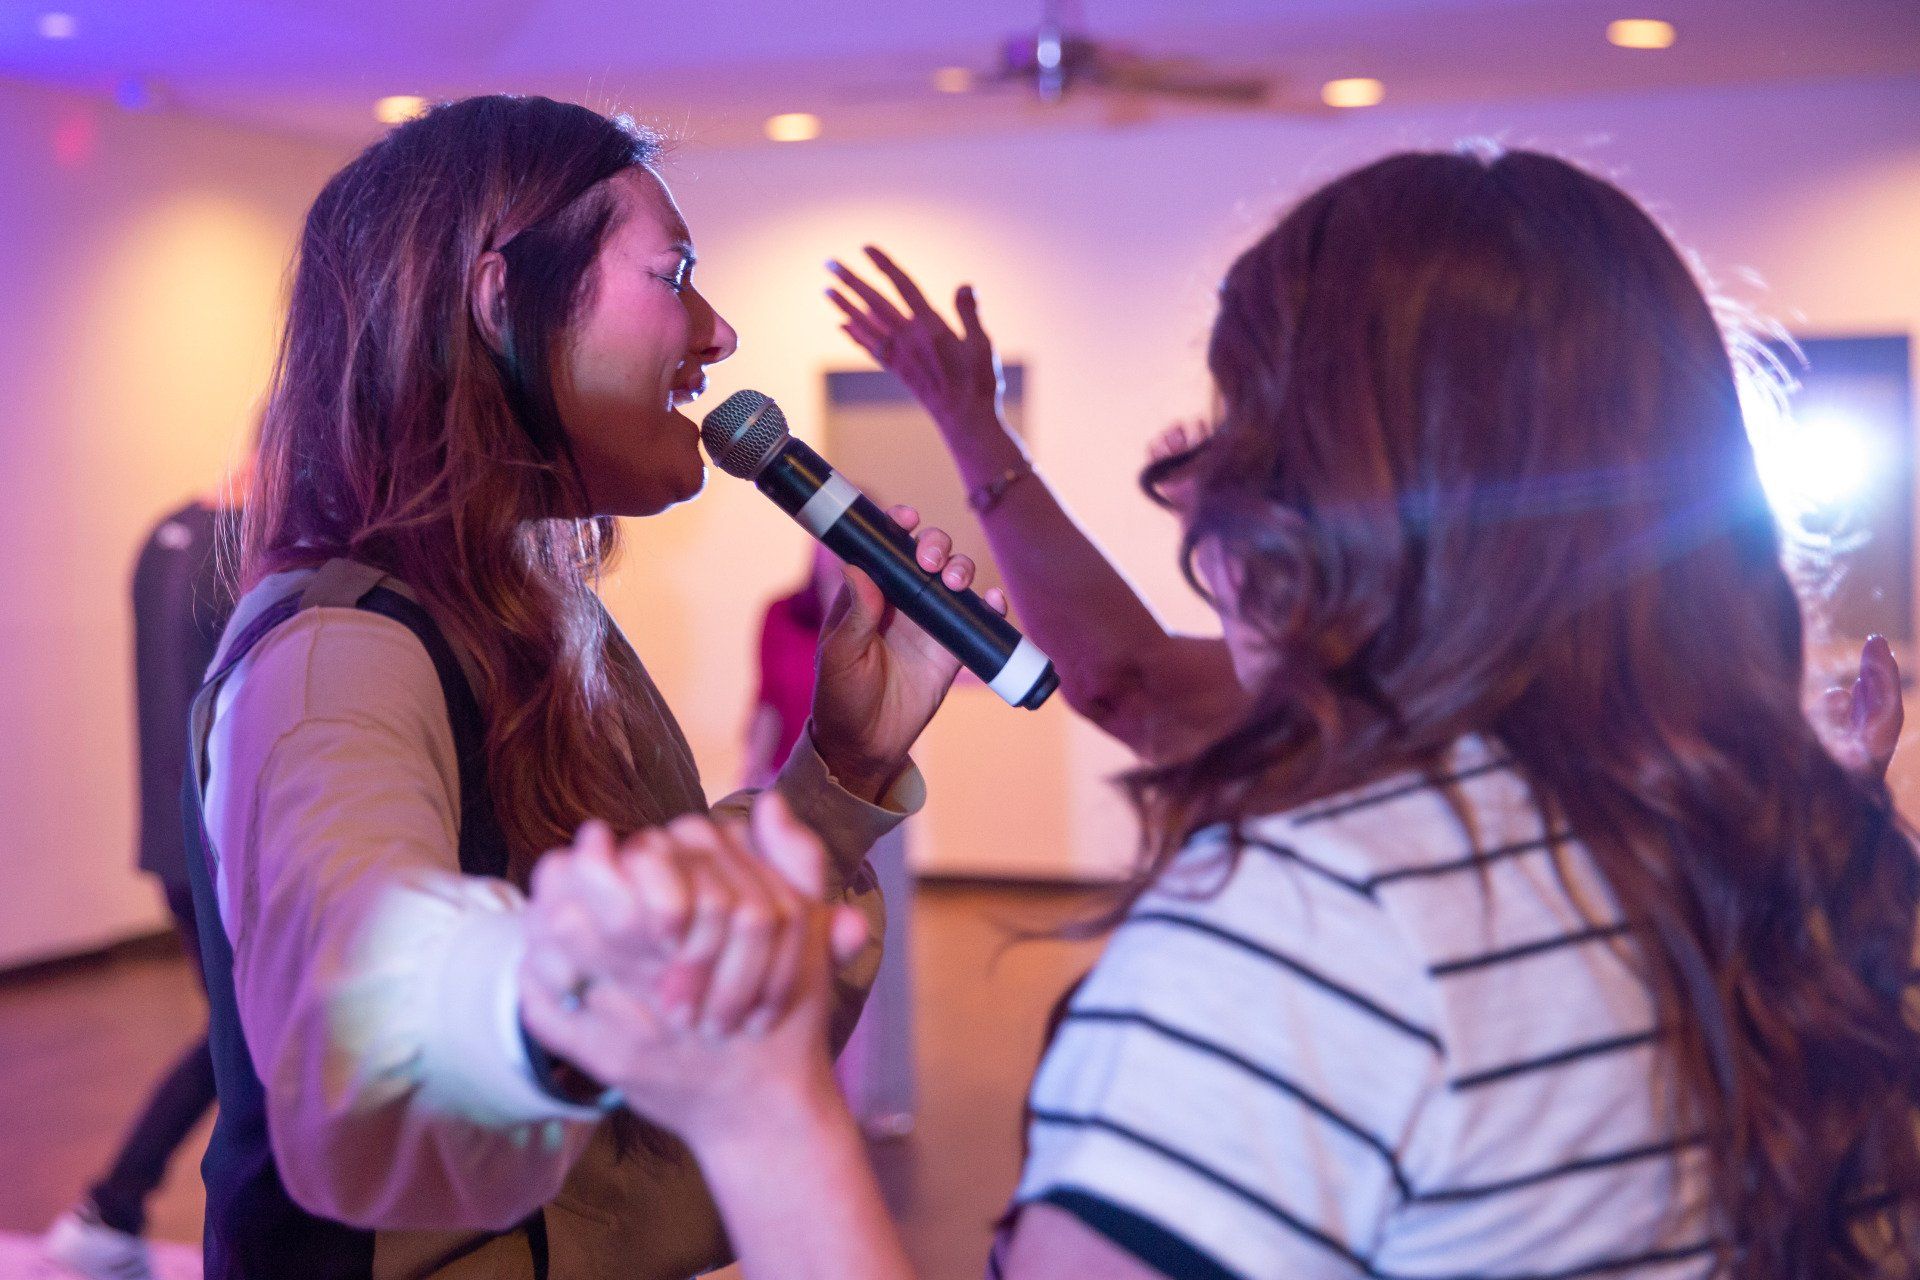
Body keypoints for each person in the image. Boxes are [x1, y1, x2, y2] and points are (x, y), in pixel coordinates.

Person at [522, 147, 1920, 1279]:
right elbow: (1127, 672)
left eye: (1248, 419)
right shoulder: (1810, 851)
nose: (1201, 480)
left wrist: (759, 1110)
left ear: (1334, 495)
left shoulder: (1318, 925)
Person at [182, 94, 998, 1279]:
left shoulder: (531, 609)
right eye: (674, 275)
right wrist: (564, 975)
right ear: (501, 303)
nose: (717, 335)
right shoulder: (336, 653)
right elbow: (364, 994)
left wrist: (845, 765)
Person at [43, 495, 239, 1280]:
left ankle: (113, 1206)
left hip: (169, 845)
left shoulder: (161, 538)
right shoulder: (240, 549)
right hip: (218, 847)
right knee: (245, 1038)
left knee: (243, 1038)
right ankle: (111, 1203)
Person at [745, 543, 918, 1137]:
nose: (837, 554)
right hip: (790, 788)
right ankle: (793, 1087)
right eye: (829, 542)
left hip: (868, 794)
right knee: (786, 943)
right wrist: (751, 783)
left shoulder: (888, 625)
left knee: (874, 944)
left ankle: (874, 1097)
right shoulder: (780, 616)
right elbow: (767, 701)